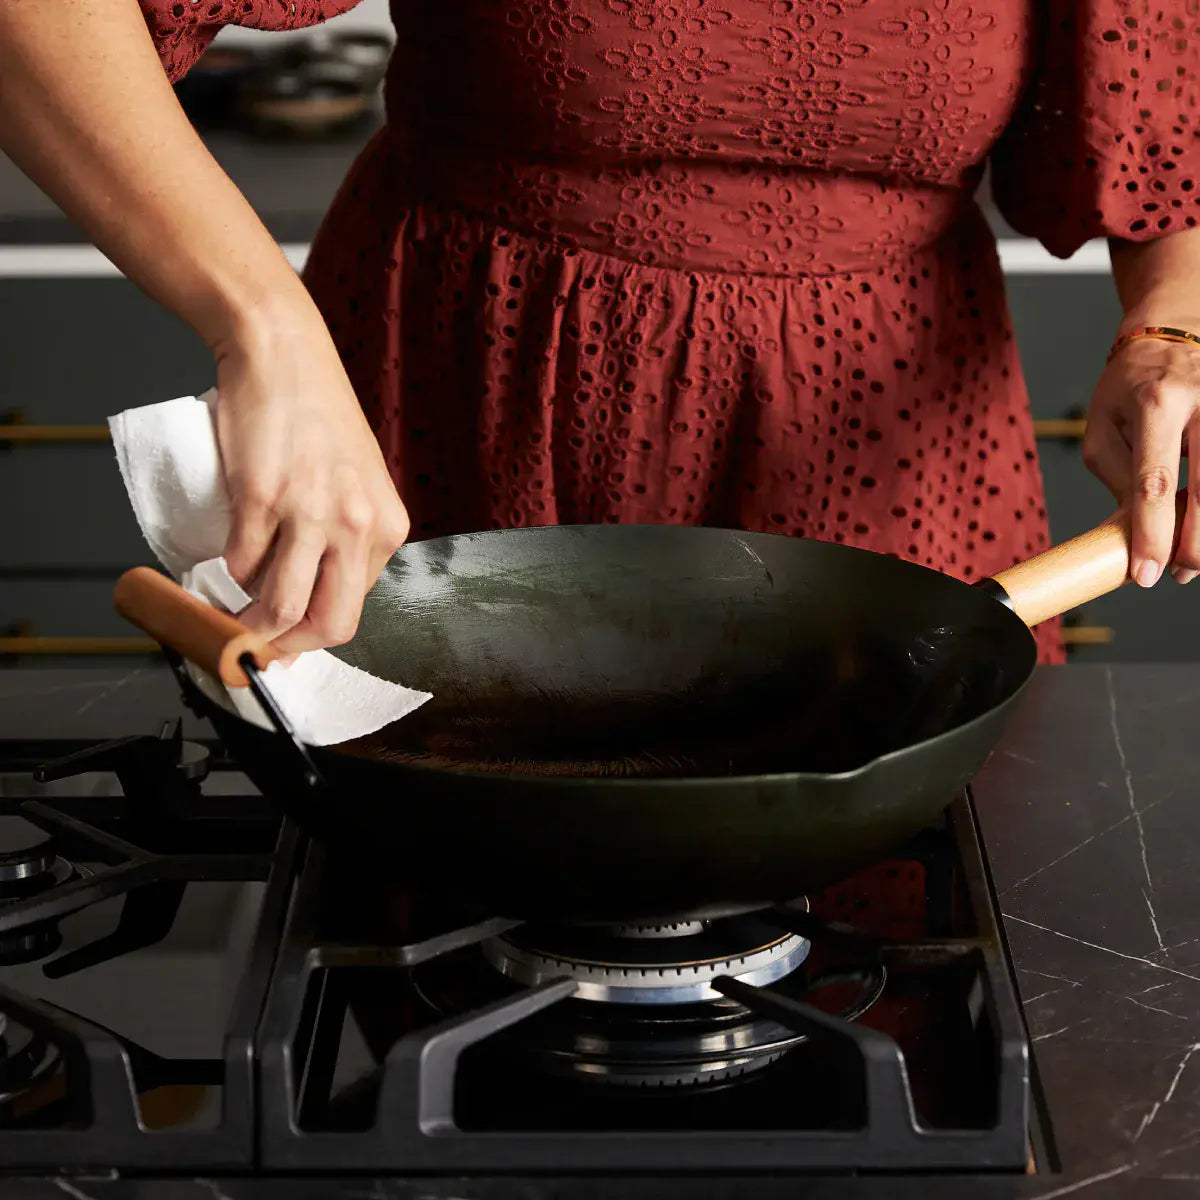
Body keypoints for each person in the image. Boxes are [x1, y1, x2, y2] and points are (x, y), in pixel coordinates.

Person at [3, 0, 1199, 666]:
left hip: (894, 481)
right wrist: (267, 330)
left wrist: (1173, 331)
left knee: (912, 950)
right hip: (467, 424)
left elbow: (1169, 133)